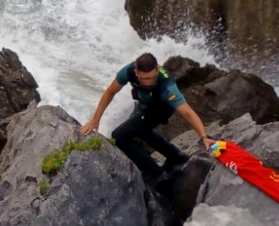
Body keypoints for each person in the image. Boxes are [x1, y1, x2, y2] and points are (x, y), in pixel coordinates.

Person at [80, 53, 214, 183]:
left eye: (151, 78)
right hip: (146, 104)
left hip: (162, 108)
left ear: (156, 70)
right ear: (136, 72)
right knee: (140, 129)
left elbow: (187, 112)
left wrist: (204, 136)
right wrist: (95, 120)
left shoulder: (167, 86)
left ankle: (155, 172)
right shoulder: (128, 71)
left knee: (118, 136)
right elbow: (110, 92)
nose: (148, 83)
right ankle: (176, 156)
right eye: (144, 79)